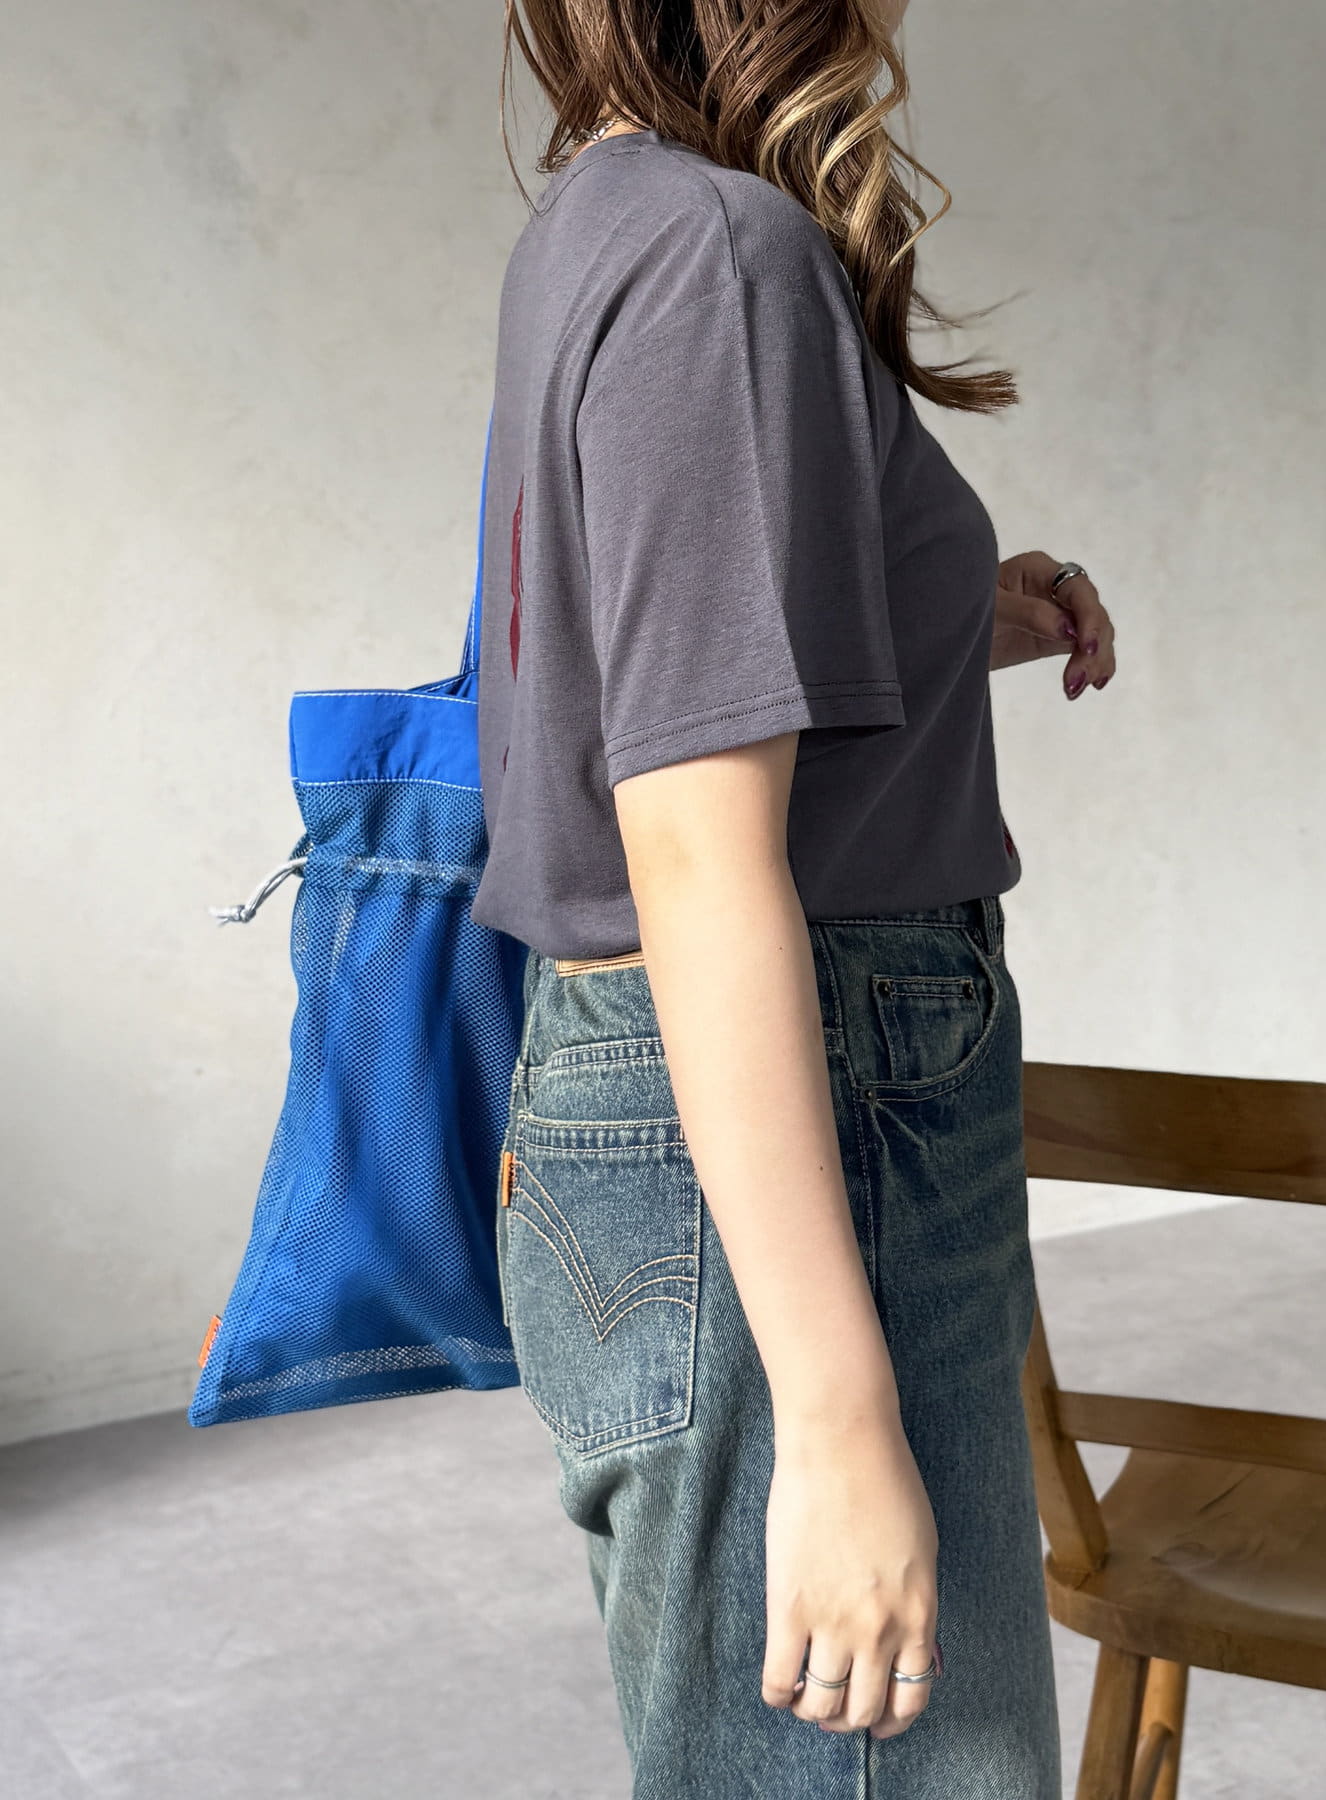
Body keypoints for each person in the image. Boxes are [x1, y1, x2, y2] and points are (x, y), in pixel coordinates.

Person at [468, 1, 1117, 1792]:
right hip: (808, 1096)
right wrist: (834, 1422)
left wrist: (947, 607)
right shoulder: (721, 256)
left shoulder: (608, 220)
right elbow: (692, 847)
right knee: (893, 1760)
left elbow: (634, 678)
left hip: (705, 1105)